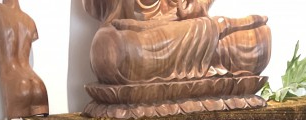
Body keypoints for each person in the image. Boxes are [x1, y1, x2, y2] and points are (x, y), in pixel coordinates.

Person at [84, 0, 270, 84]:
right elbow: (99, 10)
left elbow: (198, 6)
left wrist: (198, 5)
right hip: (139, 42)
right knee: (110, 52)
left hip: (191, 30)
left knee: (258, 39)